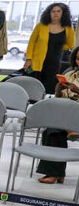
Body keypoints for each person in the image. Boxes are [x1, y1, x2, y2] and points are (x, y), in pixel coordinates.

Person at [36, 46, 79, 184]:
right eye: (78, 58)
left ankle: (55, 174)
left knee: (53, 129)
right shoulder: (70, 75)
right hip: (66, 111)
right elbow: (60, 99)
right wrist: (58, 91)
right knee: (51, 131)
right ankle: (56, 174)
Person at [24, 3, 75, 95]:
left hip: (54, 62)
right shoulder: (41, 25)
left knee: (49, 86)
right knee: (34, 86)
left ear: (64, 13)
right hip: (37, 62)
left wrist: (57, 47)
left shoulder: (68, 28)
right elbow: (31, 43)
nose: (56, 13)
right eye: (53, 11)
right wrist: (28, 59)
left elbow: (70, 44)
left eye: (58, 11)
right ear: (49, 13)